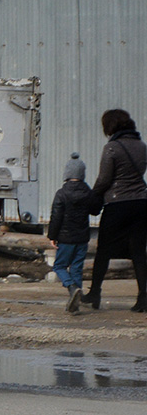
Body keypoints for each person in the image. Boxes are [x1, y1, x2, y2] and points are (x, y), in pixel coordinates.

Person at [80, 109, 147, 312]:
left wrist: (93, 196)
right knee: (138, 252)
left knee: (104, 251)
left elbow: (104, 180)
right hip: (142, 204)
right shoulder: (142, 146)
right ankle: (143, 297)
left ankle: (94, 293)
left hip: (117, 204)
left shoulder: (112, 148)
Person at [48, 153, 93, 313]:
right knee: (76, 268)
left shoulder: (61, 193)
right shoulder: (88, 192)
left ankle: (72, 287)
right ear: (82, 174)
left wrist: (52, 236)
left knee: (59, 266)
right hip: (82, 239)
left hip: (65, 238)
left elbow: (56, 217)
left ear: (67, 174)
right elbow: (94, 210)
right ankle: (75, 303)